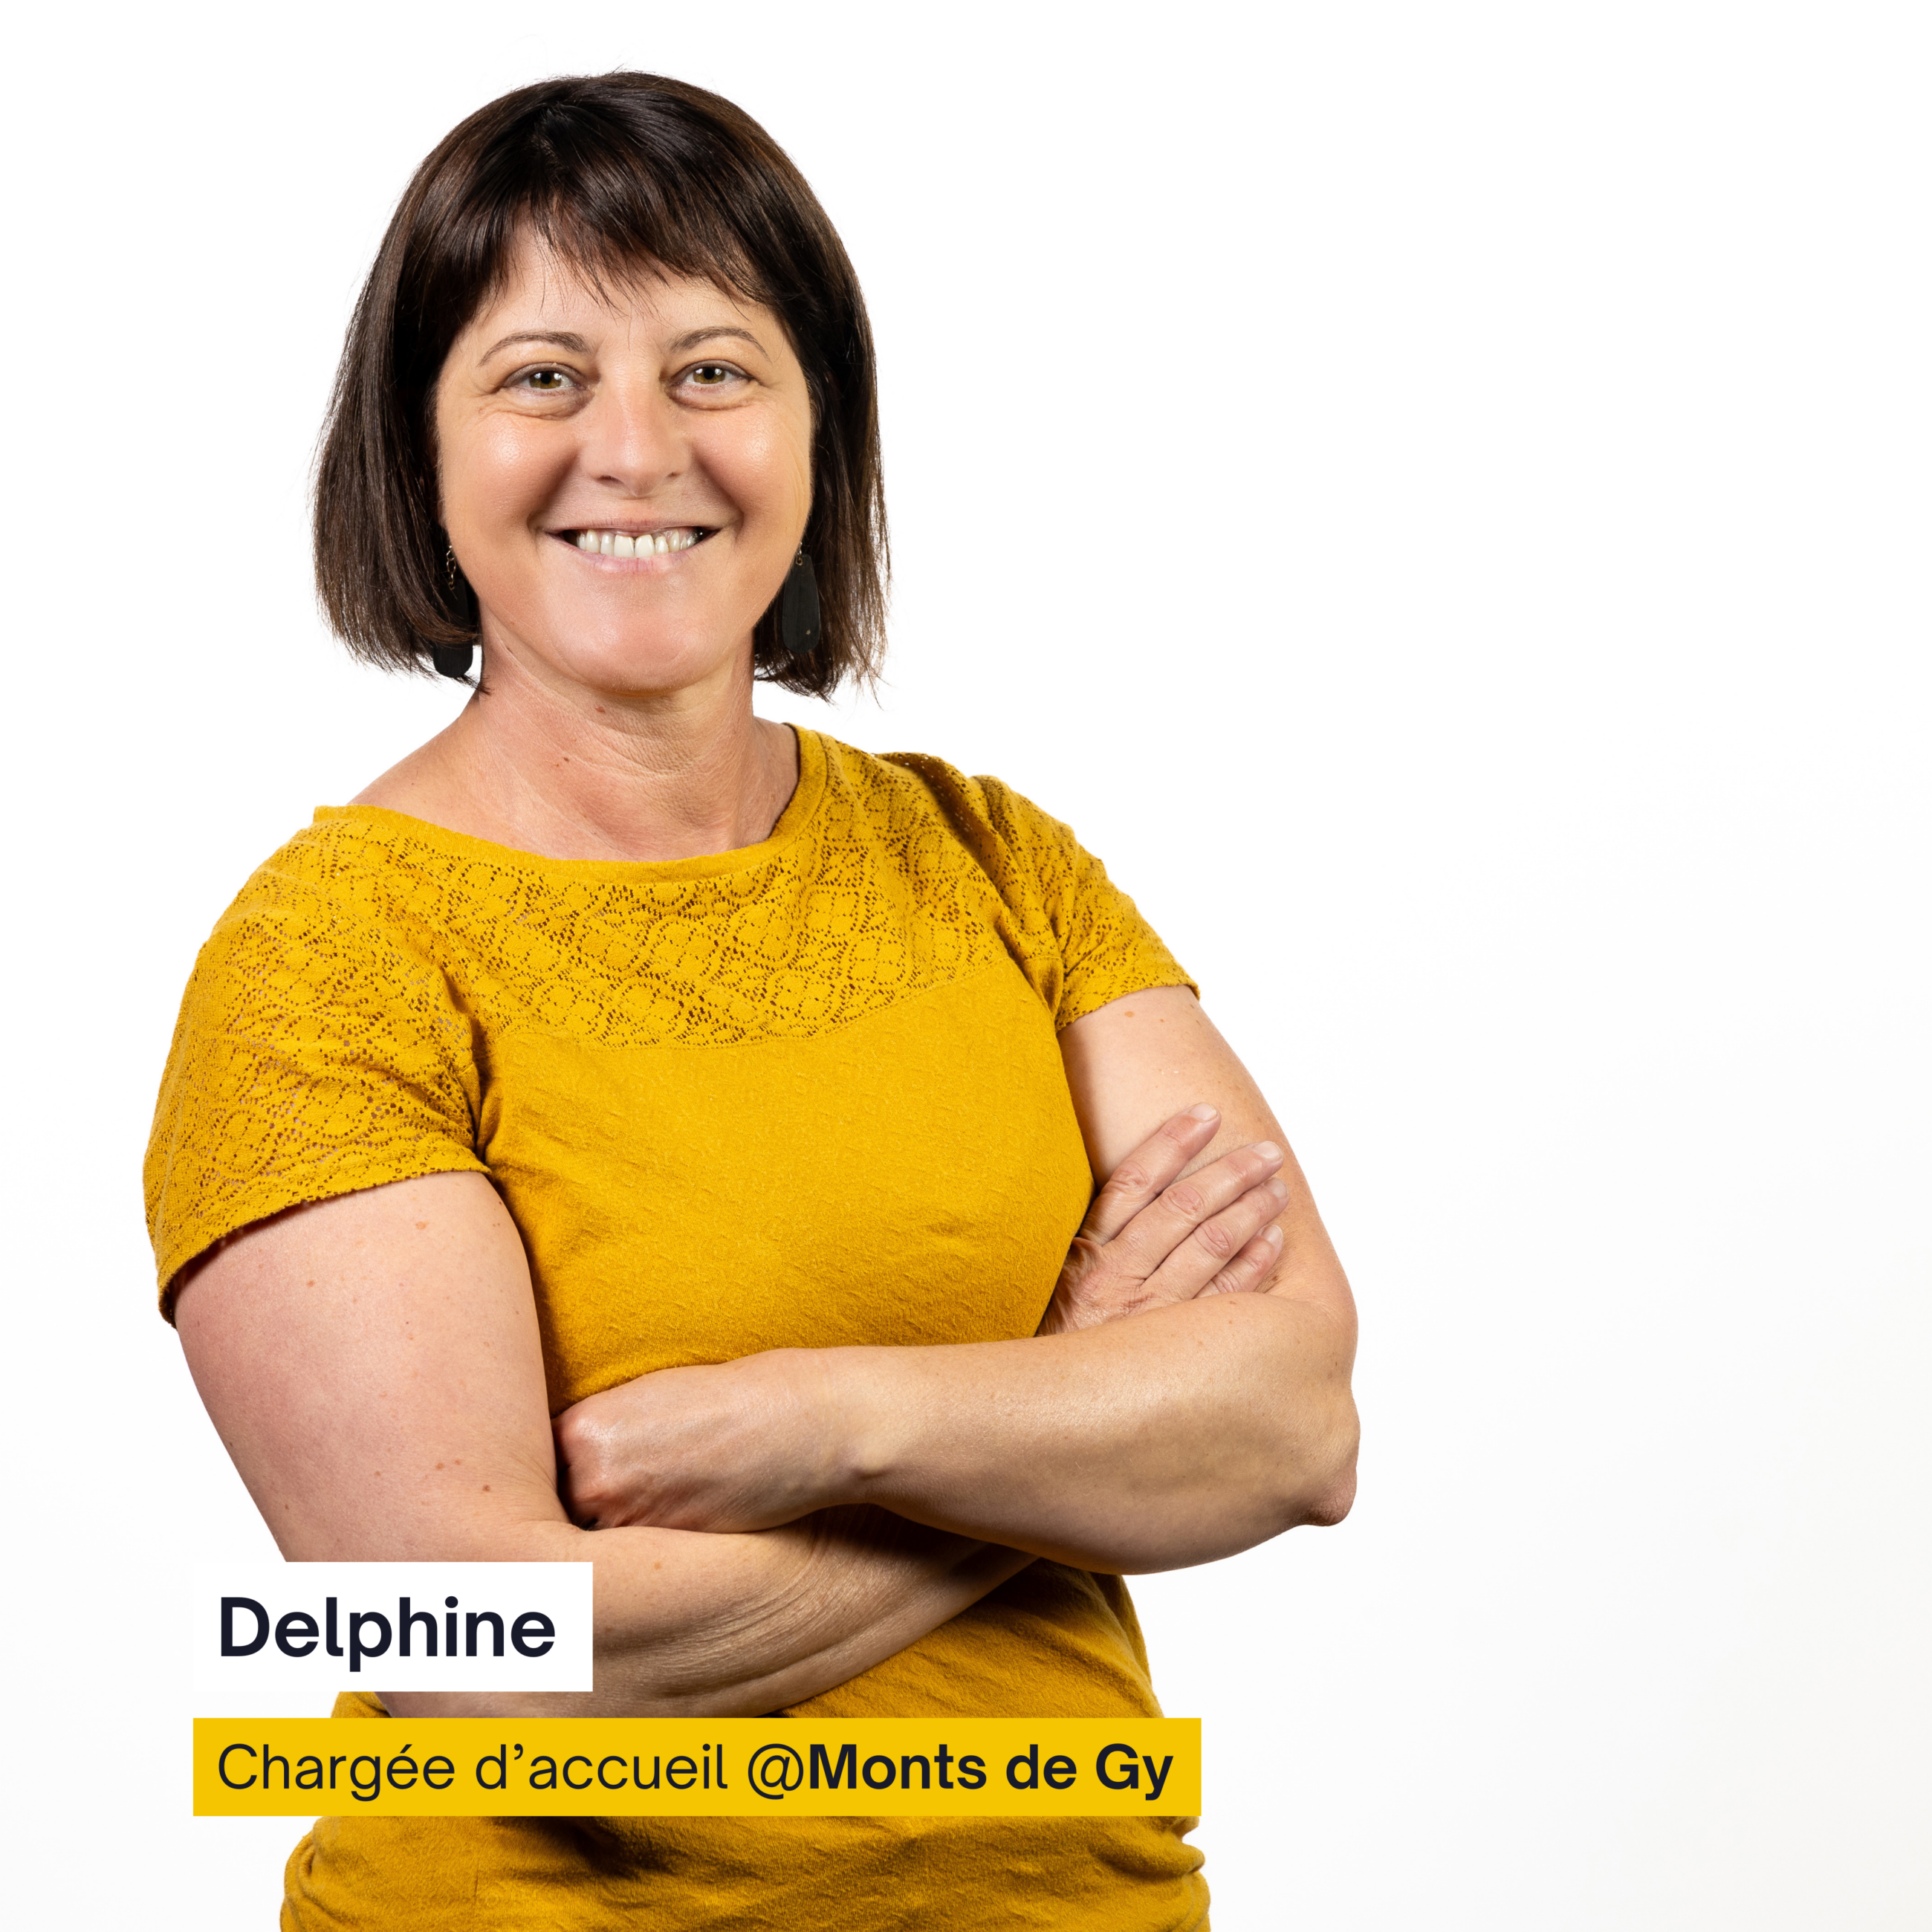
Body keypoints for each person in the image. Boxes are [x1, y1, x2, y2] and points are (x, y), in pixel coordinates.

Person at [145, 71, 1358, 1931]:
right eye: (543, 375)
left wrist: (833, 1419)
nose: (636, 448)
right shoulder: (330, 955)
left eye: (712, 369)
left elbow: (1294, 1423)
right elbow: (475, 1651)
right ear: (417, 449)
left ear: (818, 432)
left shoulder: (992, 862)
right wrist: (1058, 1402)